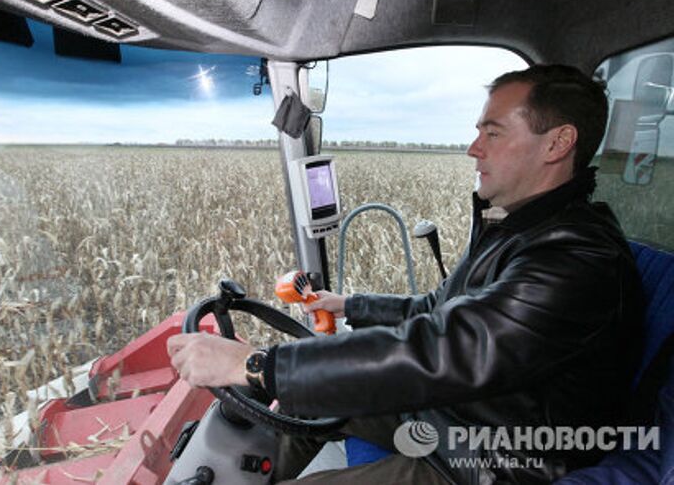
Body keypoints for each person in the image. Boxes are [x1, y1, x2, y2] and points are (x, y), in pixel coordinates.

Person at [167, 64, 644, 484]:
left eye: (493, 133)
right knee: (300, 404)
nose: (473, 148)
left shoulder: (578, 258)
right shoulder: (520, 226)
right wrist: (348, 305)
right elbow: (437, 310)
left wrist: (257, 365)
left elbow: (450, 348)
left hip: (501, 459)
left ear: (558, 143)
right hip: (462, 414)